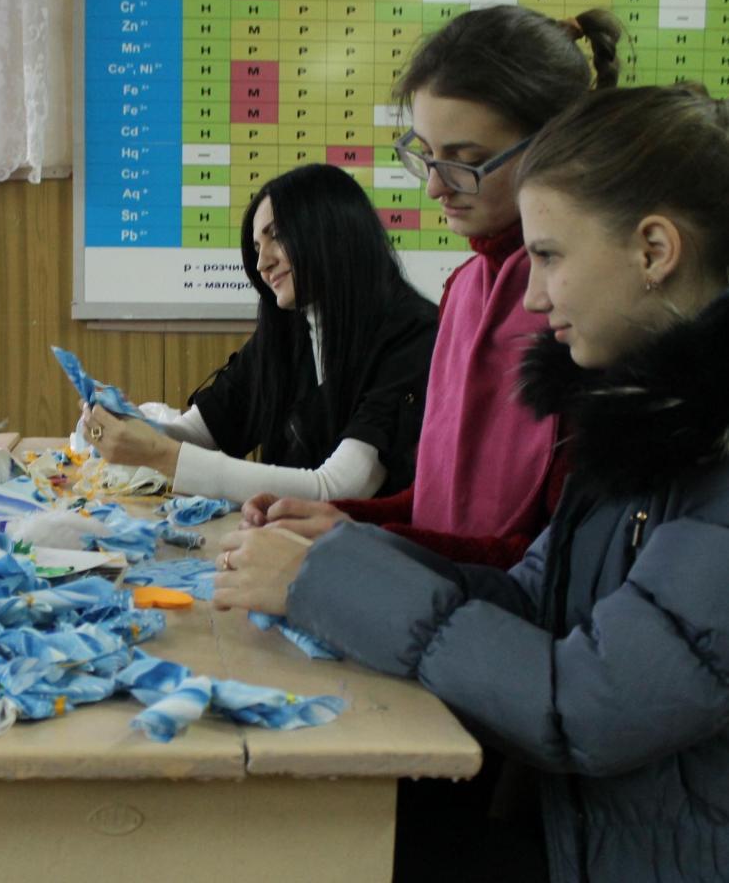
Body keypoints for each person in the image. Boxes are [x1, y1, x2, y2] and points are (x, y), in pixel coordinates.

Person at [215, 83, 729, 883]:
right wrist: (353, 552)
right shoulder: (637, 423)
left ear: (655, 251)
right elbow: (531, 597)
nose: (533, 295)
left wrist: (327, 582)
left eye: (549, 256)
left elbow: (588, 706)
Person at [241, 5, 623, 570]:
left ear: (554, 146)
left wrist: (360, 541)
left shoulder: (591, 311)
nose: (436, 188)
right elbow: (440, 505)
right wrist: (337, 519)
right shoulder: (464, 289)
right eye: (425, 154)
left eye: (467, 161)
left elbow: (550, 569)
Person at [80, 162, 437, 504]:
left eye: (276, 236)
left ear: (333, 230)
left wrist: (159, 453)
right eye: (256, 248)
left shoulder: (411, 334)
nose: (262, 263)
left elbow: (340, 489)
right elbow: (201, 434)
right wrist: (129, 426)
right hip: (285, 535)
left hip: (367, 542)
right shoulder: (288, 329)